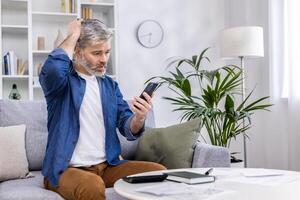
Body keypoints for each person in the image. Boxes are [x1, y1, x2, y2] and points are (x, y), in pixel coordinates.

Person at [39, 18, 166, 200]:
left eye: (107, 52)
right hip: (65, 169)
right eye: (97, 53)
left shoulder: (109, 86)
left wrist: (139, 118)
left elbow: (127, 127)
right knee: (92, 184)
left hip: (107, 167)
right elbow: (51, 69)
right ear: (78, 51)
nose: (104, 59)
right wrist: (73, 35)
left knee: (158, 173)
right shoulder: (60, 84)